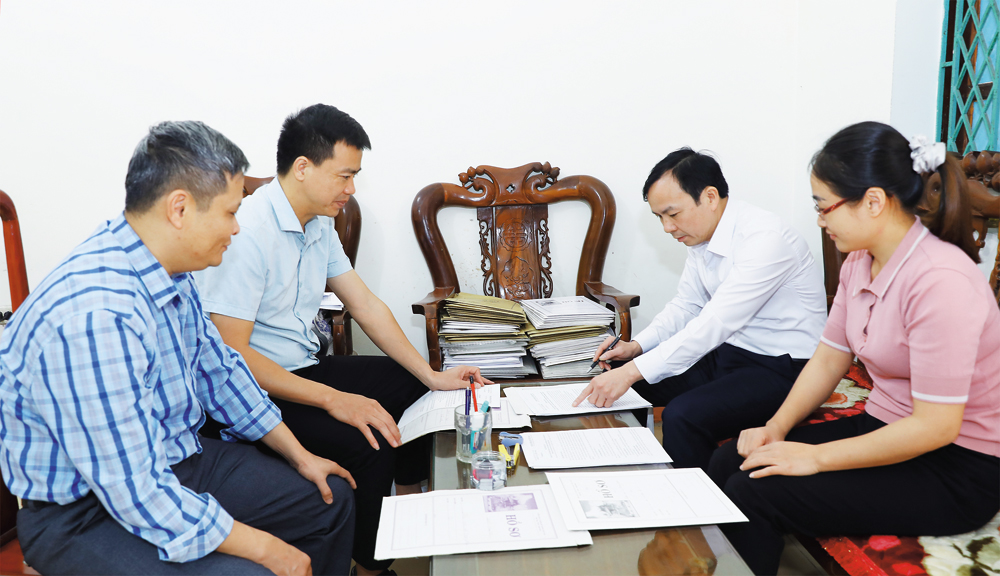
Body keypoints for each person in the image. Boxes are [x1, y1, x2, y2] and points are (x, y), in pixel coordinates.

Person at [0, 121, 358, 575]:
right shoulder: (97, 318)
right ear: (180, 209)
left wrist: (300, 455)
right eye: (230, 213)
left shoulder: (169, 267)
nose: (237, 229)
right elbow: (136, 489)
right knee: (257, 570)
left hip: (180, 459)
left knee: (328, 499)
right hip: (86, 512)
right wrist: (267, 550)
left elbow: (220, 373)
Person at [195, 104, 487, 576]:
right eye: (344, 176)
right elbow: (234, 356)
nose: (351, 189)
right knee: (370, 441)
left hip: (304, 366)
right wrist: (336, 400)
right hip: (255, 387)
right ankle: (370, 569)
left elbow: (365, 304)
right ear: (303, 168)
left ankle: (406, 514)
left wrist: (432, 375)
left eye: (355, 177)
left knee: (411, 385)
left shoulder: (319, 223)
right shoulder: (247, 233)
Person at [707, 122, 1000, 575]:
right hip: (886, 426)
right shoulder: (860, 262)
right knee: (734, 458)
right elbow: (829, 357)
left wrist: (815, 458)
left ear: (874, 201)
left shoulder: (941, 280)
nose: (819, 220)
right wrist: (776, 427)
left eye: (824, 206)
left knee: (757, 493)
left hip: (956, 467)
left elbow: (936, 427)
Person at [574, 147, 828, 470]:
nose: (667, 227)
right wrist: (635, 348)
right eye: (659, 217)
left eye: (672, 214)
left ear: (709, 197)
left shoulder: (765, 239)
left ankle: (699, 500)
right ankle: (629, 469)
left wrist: (632, 370)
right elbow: (686, 305)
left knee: (682, 416)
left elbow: (714, 323)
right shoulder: (702, 235)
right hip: (729, 353)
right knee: (625, 379)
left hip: (784, 368)